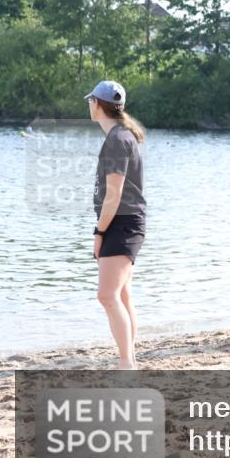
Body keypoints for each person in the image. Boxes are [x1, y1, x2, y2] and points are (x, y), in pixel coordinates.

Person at [87, 80, 146, 370]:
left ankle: (126, 364)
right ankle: (129, 358)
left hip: (121, 223)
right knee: (121, 294)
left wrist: (99, 232)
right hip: (124, 221)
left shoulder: (117, 139)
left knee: (107, 295)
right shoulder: (122, 135)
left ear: (97, 105)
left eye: (90, 101)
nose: (89, 105)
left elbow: (114, 194)